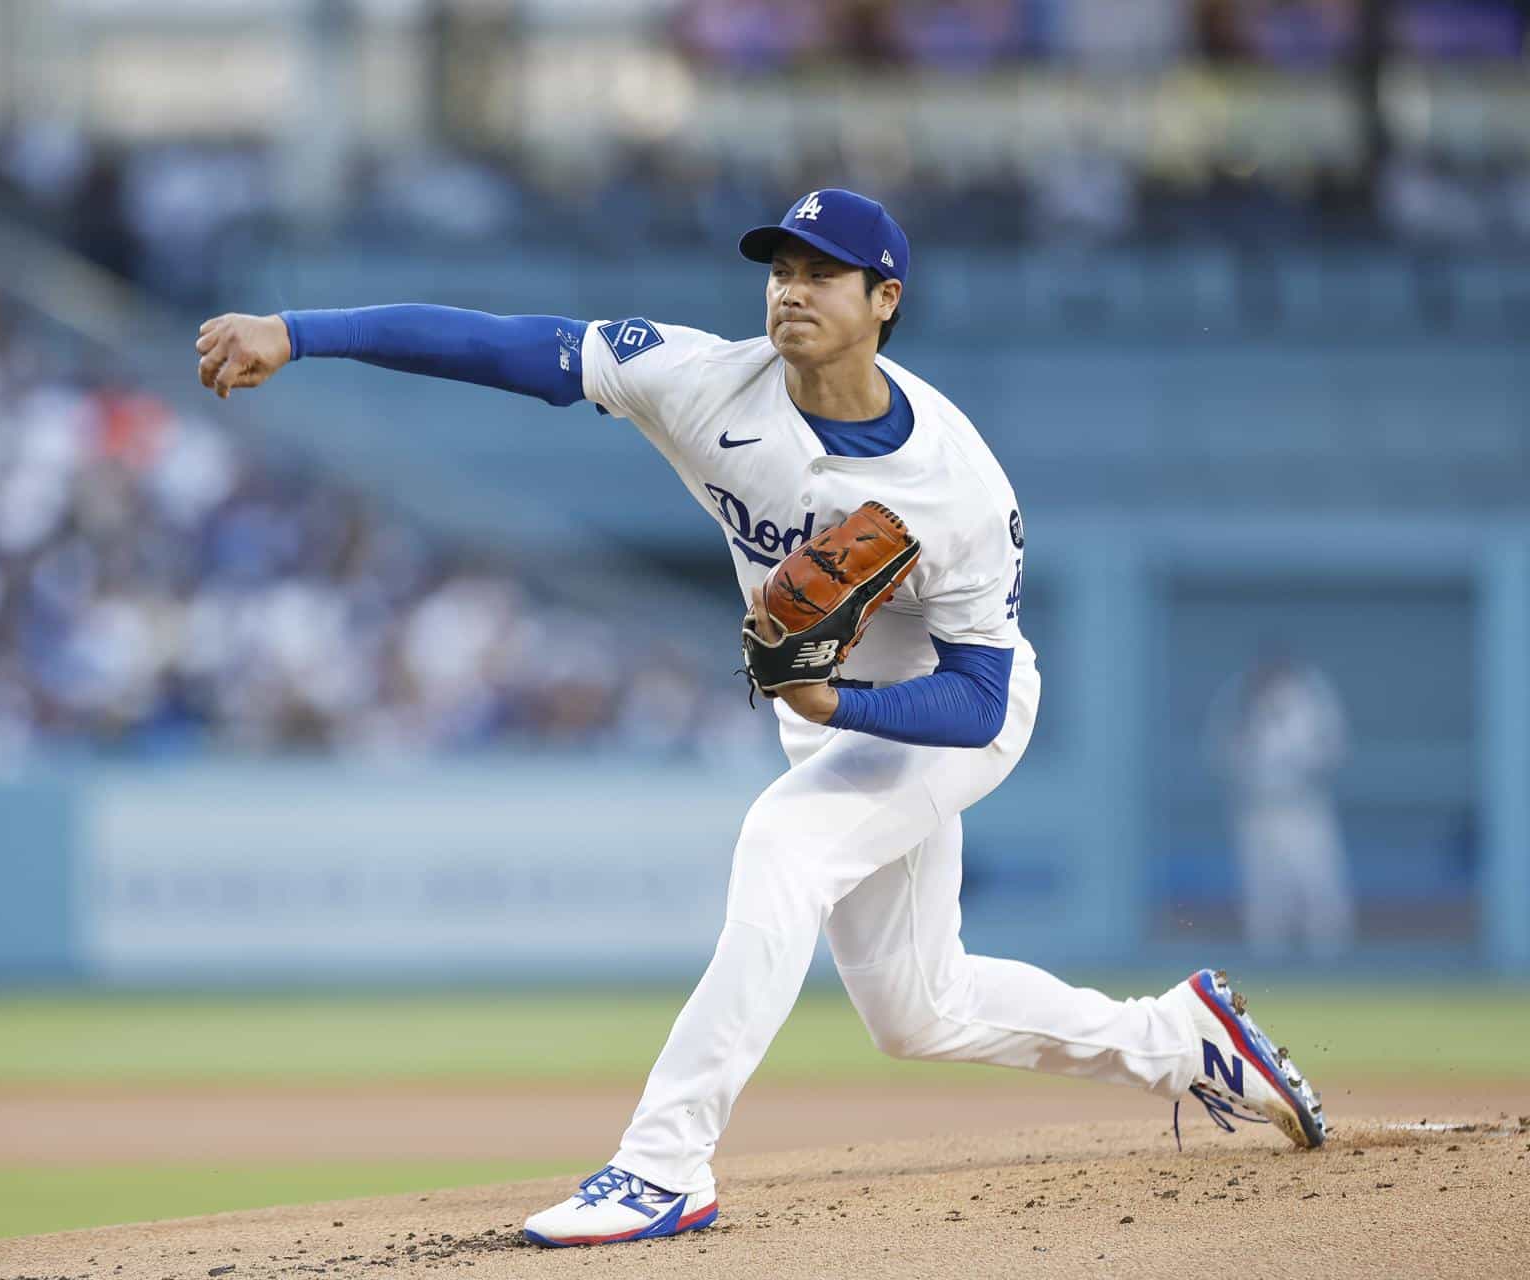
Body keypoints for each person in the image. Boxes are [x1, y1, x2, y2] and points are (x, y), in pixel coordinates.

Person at [194, 188, 1326, 1249]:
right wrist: (300, 329)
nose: (792, 287)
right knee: (916, 1010)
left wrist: (843, 699)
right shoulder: (699, 380)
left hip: (947, 714)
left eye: (826, 273)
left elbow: (981, 699)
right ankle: (1183, 1039)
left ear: (886, 302)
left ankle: (664, 1161)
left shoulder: (959, 487)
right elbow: (504, 344)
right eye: (782, 267)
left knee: (783, 843)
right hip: (831, 719)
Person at [1209, 653, 1355, 958]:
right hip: (1259, 808)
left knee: (1319, 891)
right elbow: (1222, 752)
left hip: (1304, 807)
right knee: (1264, 899)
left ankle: (1331, 966)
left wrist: (1301, 767)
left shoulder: (1312, 697)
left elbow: (1334, 748)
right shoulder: (1240, 699)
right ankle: (1267, 969)